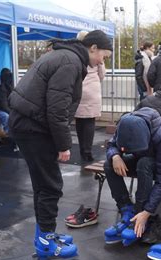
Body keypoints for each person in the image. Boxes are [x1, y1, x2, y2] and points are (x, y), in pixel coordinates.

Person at [8, 30, 112, 260]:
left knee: (43, 184)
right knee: (50, 186)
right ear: (93, 48)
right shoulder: (71, 62)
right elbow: (57, 109)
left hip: (27, 123)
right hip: (32, 127)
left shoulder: (65, 56)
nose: (101, 61)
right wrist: (64, 145)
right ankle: (46, 243)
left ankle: (45, 235)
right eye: (103, 56)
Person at [103, 107, 161, 246]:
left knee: (144, 163)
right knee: (109, 165)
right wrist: (115, 155)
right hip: (143, 156)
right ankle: (127, 211)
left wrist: (147, 211)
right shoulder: (126, 124)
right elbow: (112, 144)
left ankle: (139, 213)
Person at [74, 31, 106, 162]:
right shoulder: (95, 52)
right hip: (92, 89)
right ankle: (88, 151)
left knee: (79, 120)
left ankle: (82, 148)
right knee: (90, 121)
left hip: (78, 88)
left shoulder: (76, 53)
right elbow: (102, 73)